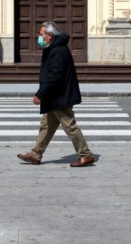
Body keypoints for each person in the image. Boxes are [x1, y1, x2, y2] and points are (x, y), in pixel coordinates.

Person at [18, 21, 95, 167]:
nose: (39, 37)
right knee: (46, 126)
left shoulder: (58, 51)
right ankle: (35, 154)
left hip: (59, 97)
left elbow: (55, 76)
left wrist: (40, 94)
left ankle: (86, 155)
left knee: (69, 125)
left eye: (41, 34)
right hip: (54, 97)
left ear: (50, 35)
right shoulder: (54, 48)